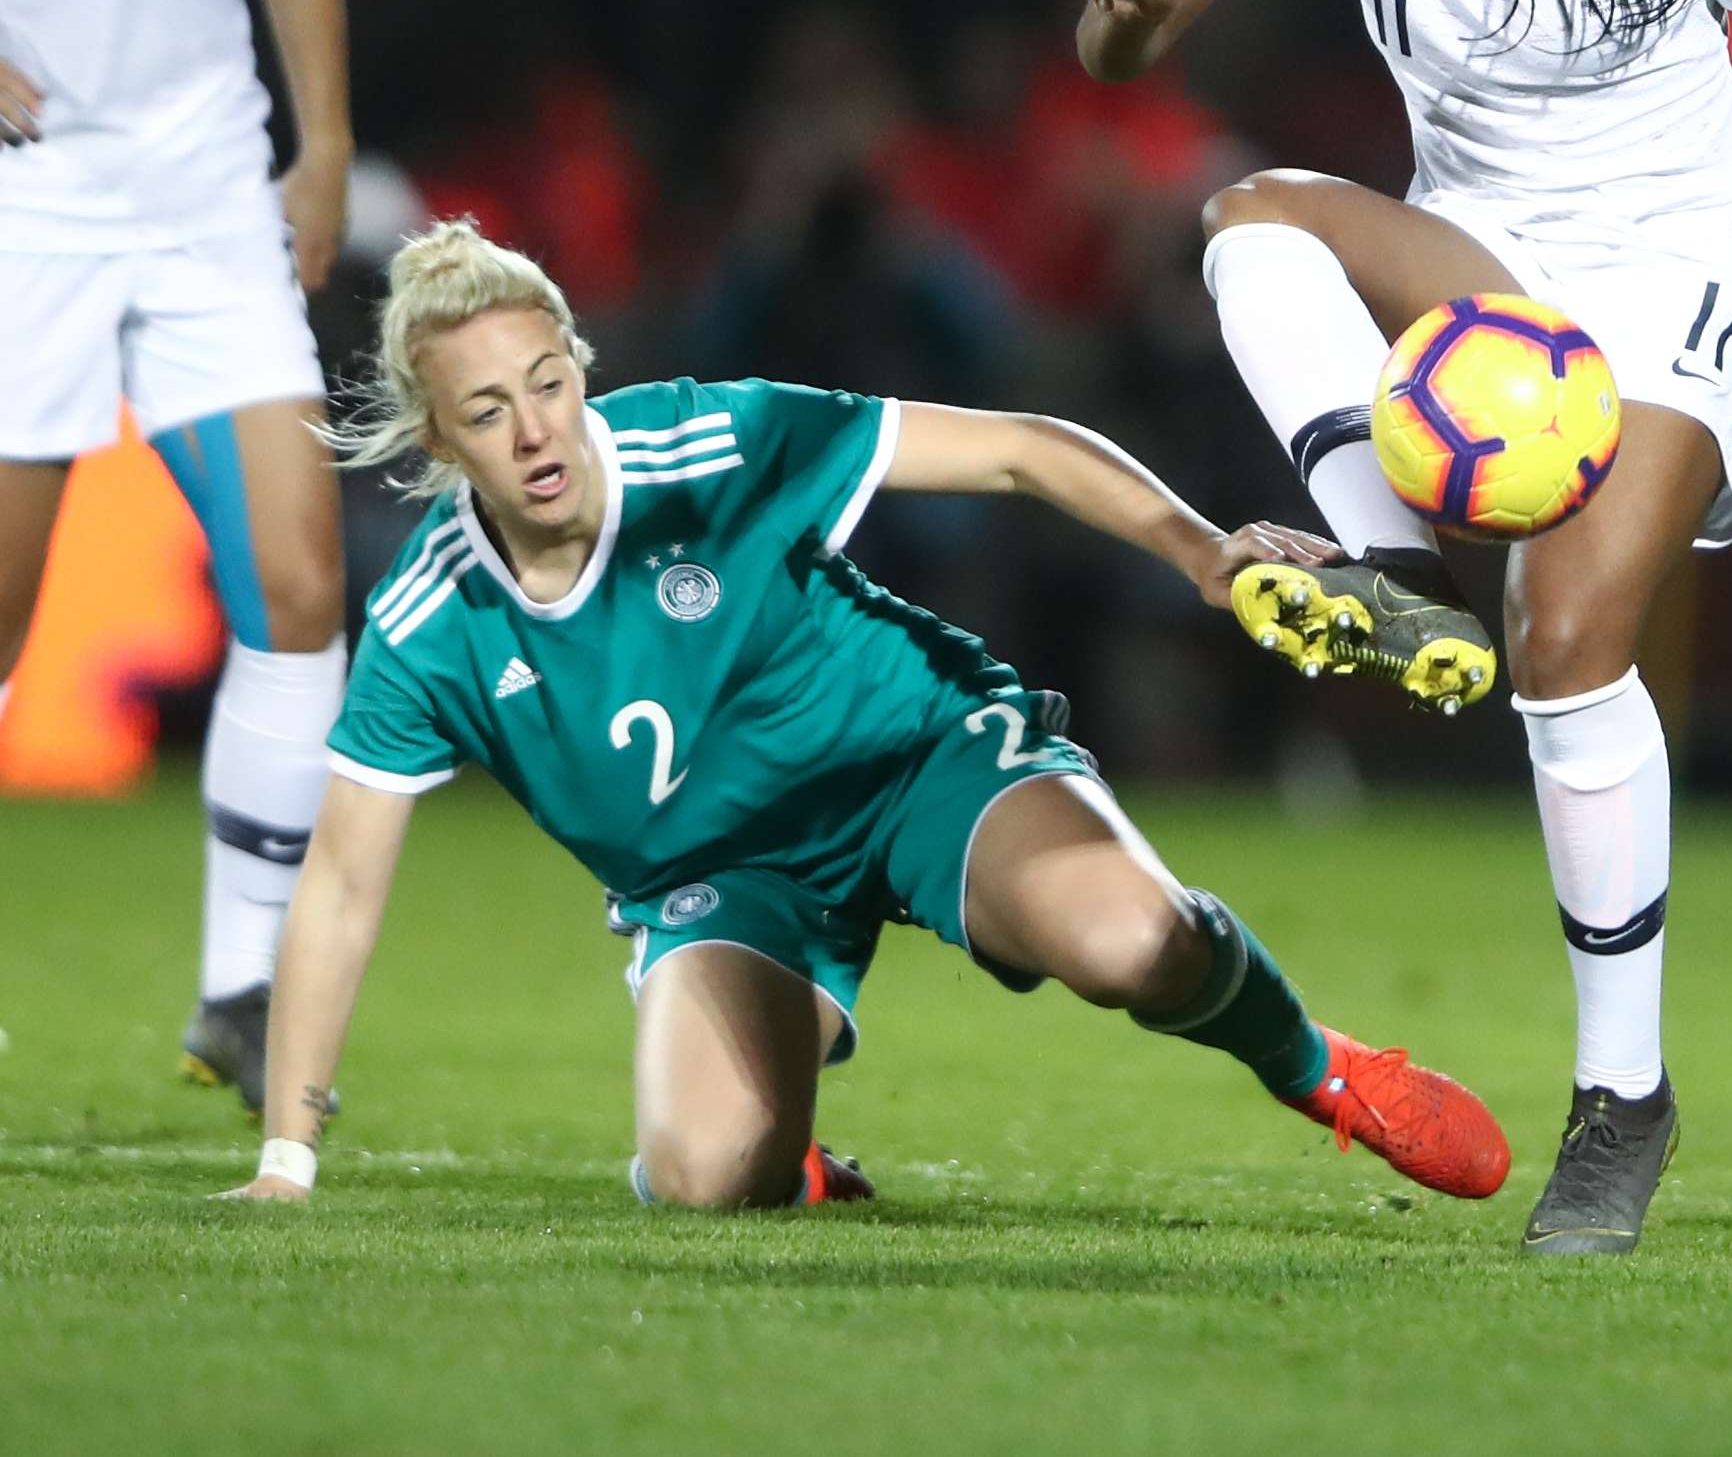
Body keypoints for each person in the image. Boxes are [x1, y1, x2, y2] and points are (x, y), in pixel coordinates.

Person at [1070, 0, 1732, 1253]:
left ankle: (1621, 1105)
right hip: (1491, 236)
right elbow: (1132, 37)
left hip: (1685, 242)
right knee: (1249, 220)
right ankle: (1388, 568)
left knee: (1566, 650)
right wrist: (1118, 6)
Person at [212, 220, 1509, 1211]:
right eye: (487, 412)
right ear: (438, 443)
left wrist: (1200, 552)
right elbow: (338, 886)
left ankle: (1312, 1063)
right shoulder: (430, 622)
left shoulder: (706, 444)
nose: (535, 431)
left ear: (579, 367)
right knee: (702, 1177)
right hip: (722, 878)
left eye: (548, 384)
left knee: (1132, 949)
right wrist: (287, 1154)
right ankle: (793, 1142)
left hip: (910, 763)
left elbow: (1020, 446)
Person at [0, 0, 356, 1107]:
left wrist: (323, 148)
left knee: (299, 589)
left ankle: (242, 987)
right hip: (36, 201)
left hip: (209, 191)